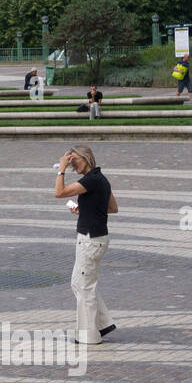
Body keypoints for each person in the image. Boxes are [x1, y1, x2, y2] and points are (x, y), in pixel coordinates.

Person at [54, 144, 119, 345]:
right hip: (95, 239)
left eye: (75, 161)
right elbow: (112, 208)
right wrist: (86, 210)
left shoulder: (91, 180)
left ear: (87, 157)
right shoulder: (101, 180)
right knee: (79, 283)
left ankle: (89, 335)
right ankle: (103, 323)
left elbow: (59, 192)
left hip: (90, 240)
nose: (73, 165)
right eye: (70, 162)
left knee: (84, 286)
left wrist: (61, 168)